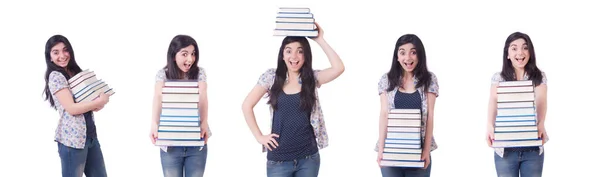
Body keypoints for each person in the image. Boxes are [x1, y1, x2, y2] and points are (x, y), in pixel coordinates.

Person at [241, 22, 345, 177]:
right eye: (288, 51)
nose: (294, 57)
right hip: (278, 161)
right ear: (282, 55)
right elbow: (246, 105)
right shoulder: (271, 77)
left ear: (305, 56)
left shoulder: (311, 78)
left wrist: (320, 39)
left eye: (299, 51)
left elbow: (339, 68)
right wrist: (259, 137)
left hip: (308, 158)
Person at [43, 34, 110, 177]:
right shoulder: (56, 76)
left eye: (65, 50)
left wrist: (97, 104)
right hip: (72, 142)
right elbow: (72, 108)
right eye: (56, 52)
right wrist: (98, 102)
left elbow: (87, 103)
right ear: (50, 57)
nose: (62, 55)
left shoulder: (74, 71)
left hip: (90, 137)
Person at [375, 34, 439, 177]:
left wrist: (426, 150)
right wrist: (381, 150)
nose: (408, 58)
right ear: (397, 56)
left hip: (418, 152)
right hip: (391, 151)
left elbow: (429, 116)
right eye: (402, 52)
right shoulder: (386, 80)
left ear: (419, 55)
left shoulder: (429, 79)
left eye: (413, 52)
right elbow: (384, 114)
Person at [486, 32, 548, 177]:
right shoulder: (498, 77)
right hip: (505, 149)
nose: (520, 52)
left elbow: (541, 101)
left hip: (532, 148)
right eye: (514, 48)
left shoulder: (539, 76)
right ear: (507, 54)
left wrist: (541, 123)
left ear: (530, 52)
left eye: (525, 48)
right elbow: (493, 102)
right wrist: (489, 125)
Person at [150, 35, 211, 177]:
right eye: (185, 54)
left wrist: (204, 122)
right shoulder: (162, 75)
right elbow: (158, 97)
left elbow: (203, 96)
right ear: (173, 56)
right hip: (170, 143)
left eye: (193, 54)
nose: (190, 59)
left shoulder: (199, 73)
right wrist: (154, 123)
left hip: (196, 141)